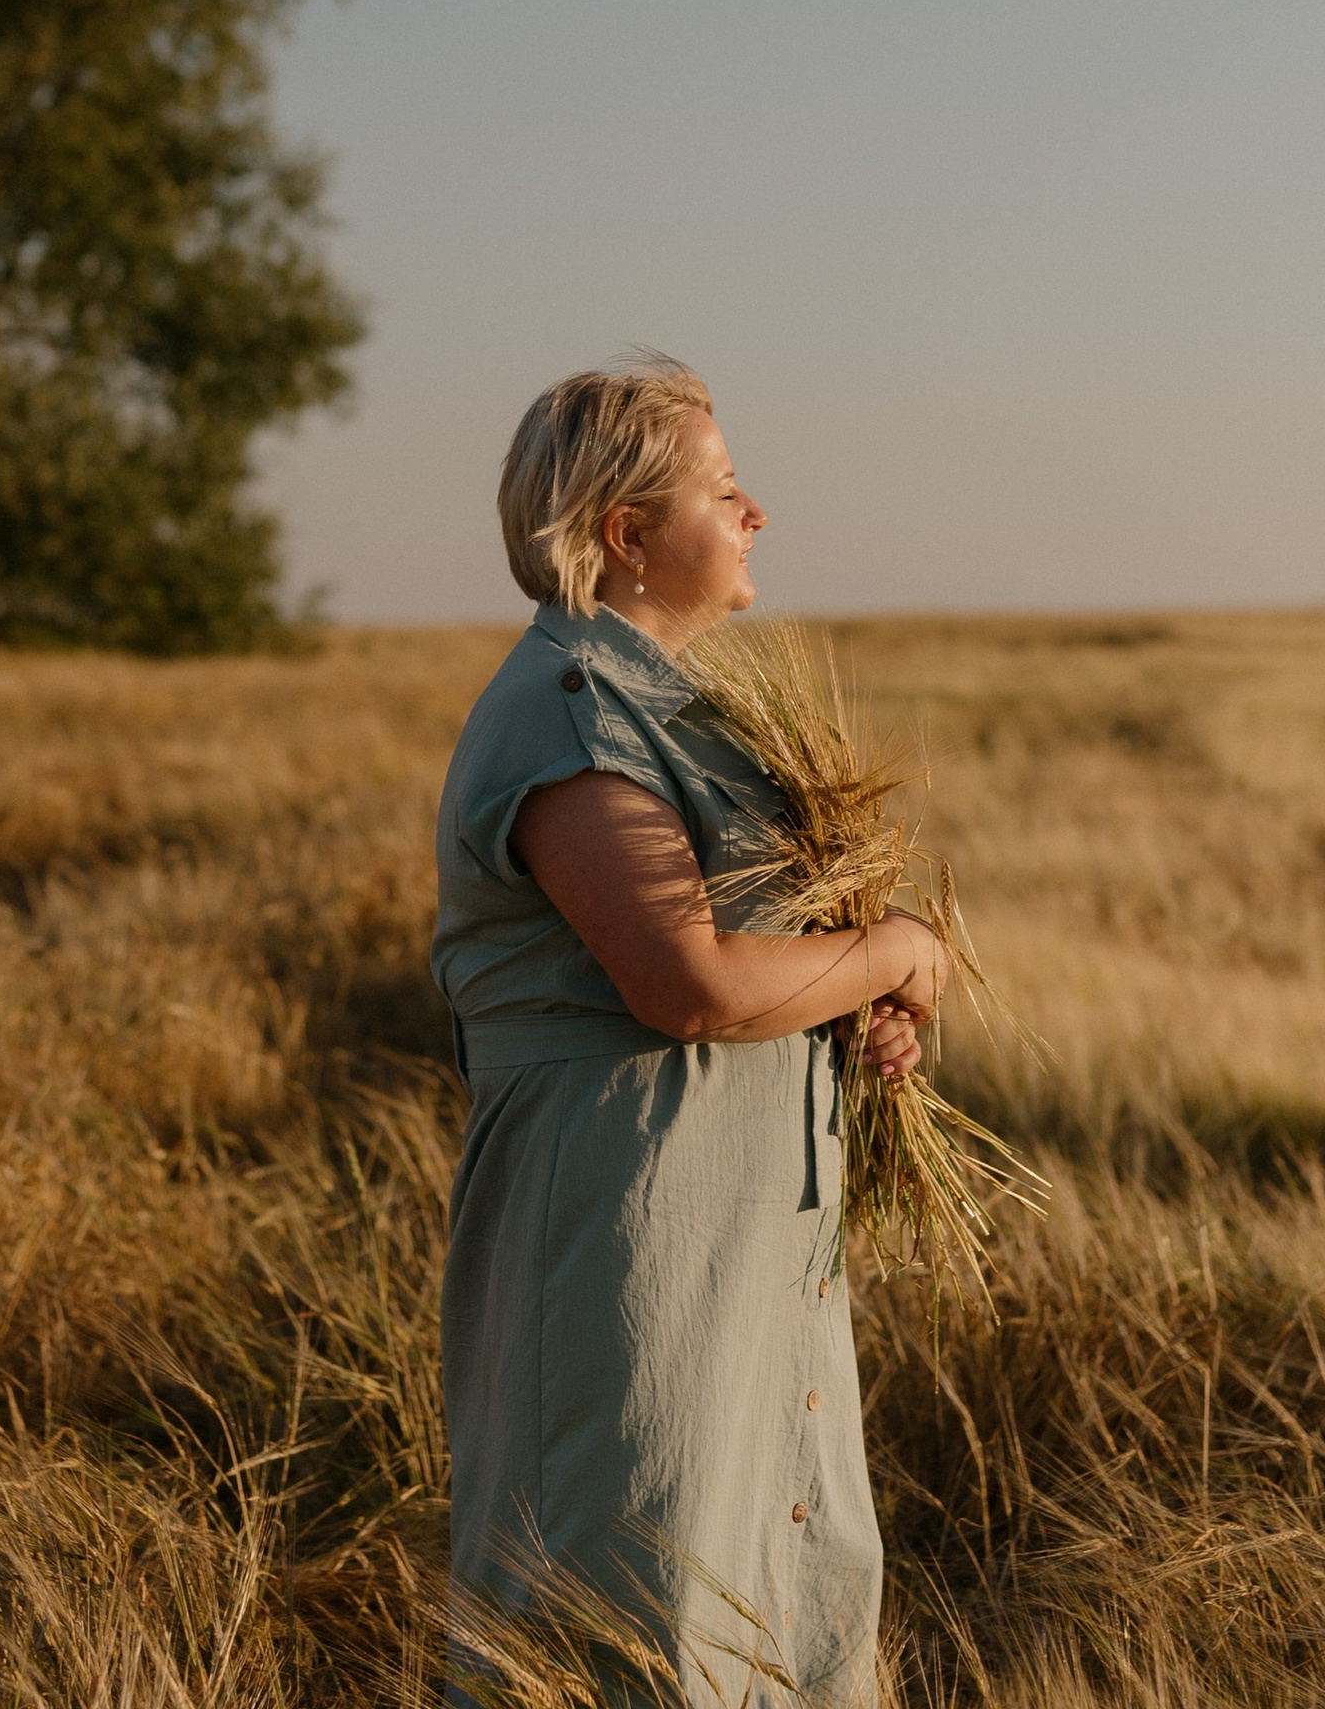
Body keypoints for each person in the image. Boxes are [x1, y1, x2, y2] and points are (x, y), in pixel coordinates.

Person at [432, 357, 950, 1704]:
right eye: (725, 491)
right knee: (626, 1596)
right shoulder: (571, 718)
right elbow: (692, 988)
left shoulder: (685, 717)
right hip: (628, 1232)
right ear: (627, 535)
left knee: (768, 1586)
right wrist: (893, 951)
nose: (756, 511)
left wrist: (851, 1021)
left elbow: (762, 983)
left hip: (745, 1245)